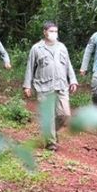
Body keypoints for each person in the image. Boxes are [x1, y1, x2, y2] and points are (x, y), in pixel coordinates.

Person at [23, 21, 78, 151]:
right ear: (45, 32)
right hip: (43, 86)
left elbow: (68, 65)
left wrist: (73, 80)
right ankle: (51, 142)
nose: (54, 34)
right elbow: (30, 67)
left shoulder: (62, 47)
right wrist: (27, 86)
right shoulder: (36, 48)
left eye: (55, 31)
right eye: (51, 31)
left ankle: (50, 131)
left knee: (64, 115)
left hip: (61, 85)